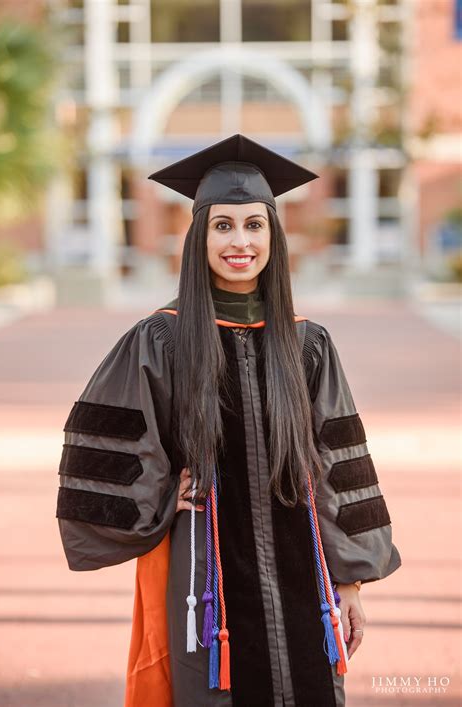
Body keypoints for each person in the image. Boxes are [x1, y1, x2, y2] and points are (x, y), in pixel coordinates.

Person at [56, 134, 402, 707]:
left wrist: (351, 580)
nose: (239, 242)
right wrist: (167, 496)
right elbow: (104, 452)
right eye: (222, 226)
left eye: (253, 225)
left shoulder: (307, 343)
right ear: (199, 237)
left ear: (274, 237)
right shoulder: (161, 340)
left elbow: (339, 463)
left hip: (305, 574)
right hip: (207, 575)